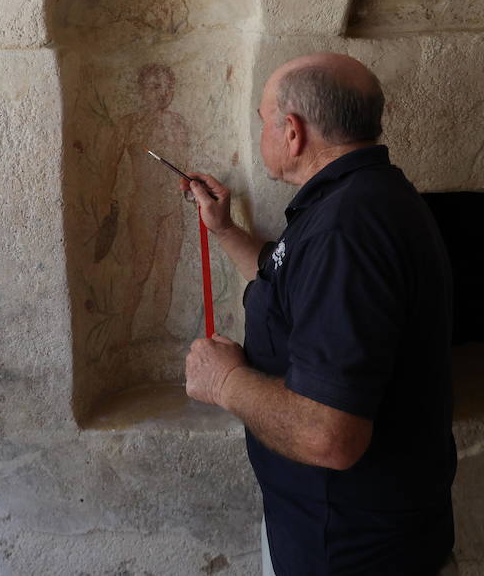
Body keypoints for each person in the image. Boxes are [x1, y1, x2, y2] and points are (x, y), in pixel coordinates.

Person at [181, 53, 456, 576]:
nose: (262, 131)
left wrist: (224, 382)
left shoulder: (346, 230)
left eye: (264, 120)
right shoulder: (360, 200)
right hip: (344, 530)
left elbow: (327, 437)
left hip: (350, 548)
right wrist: (224, 229)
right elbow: (289, 281)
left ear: (292, 131)